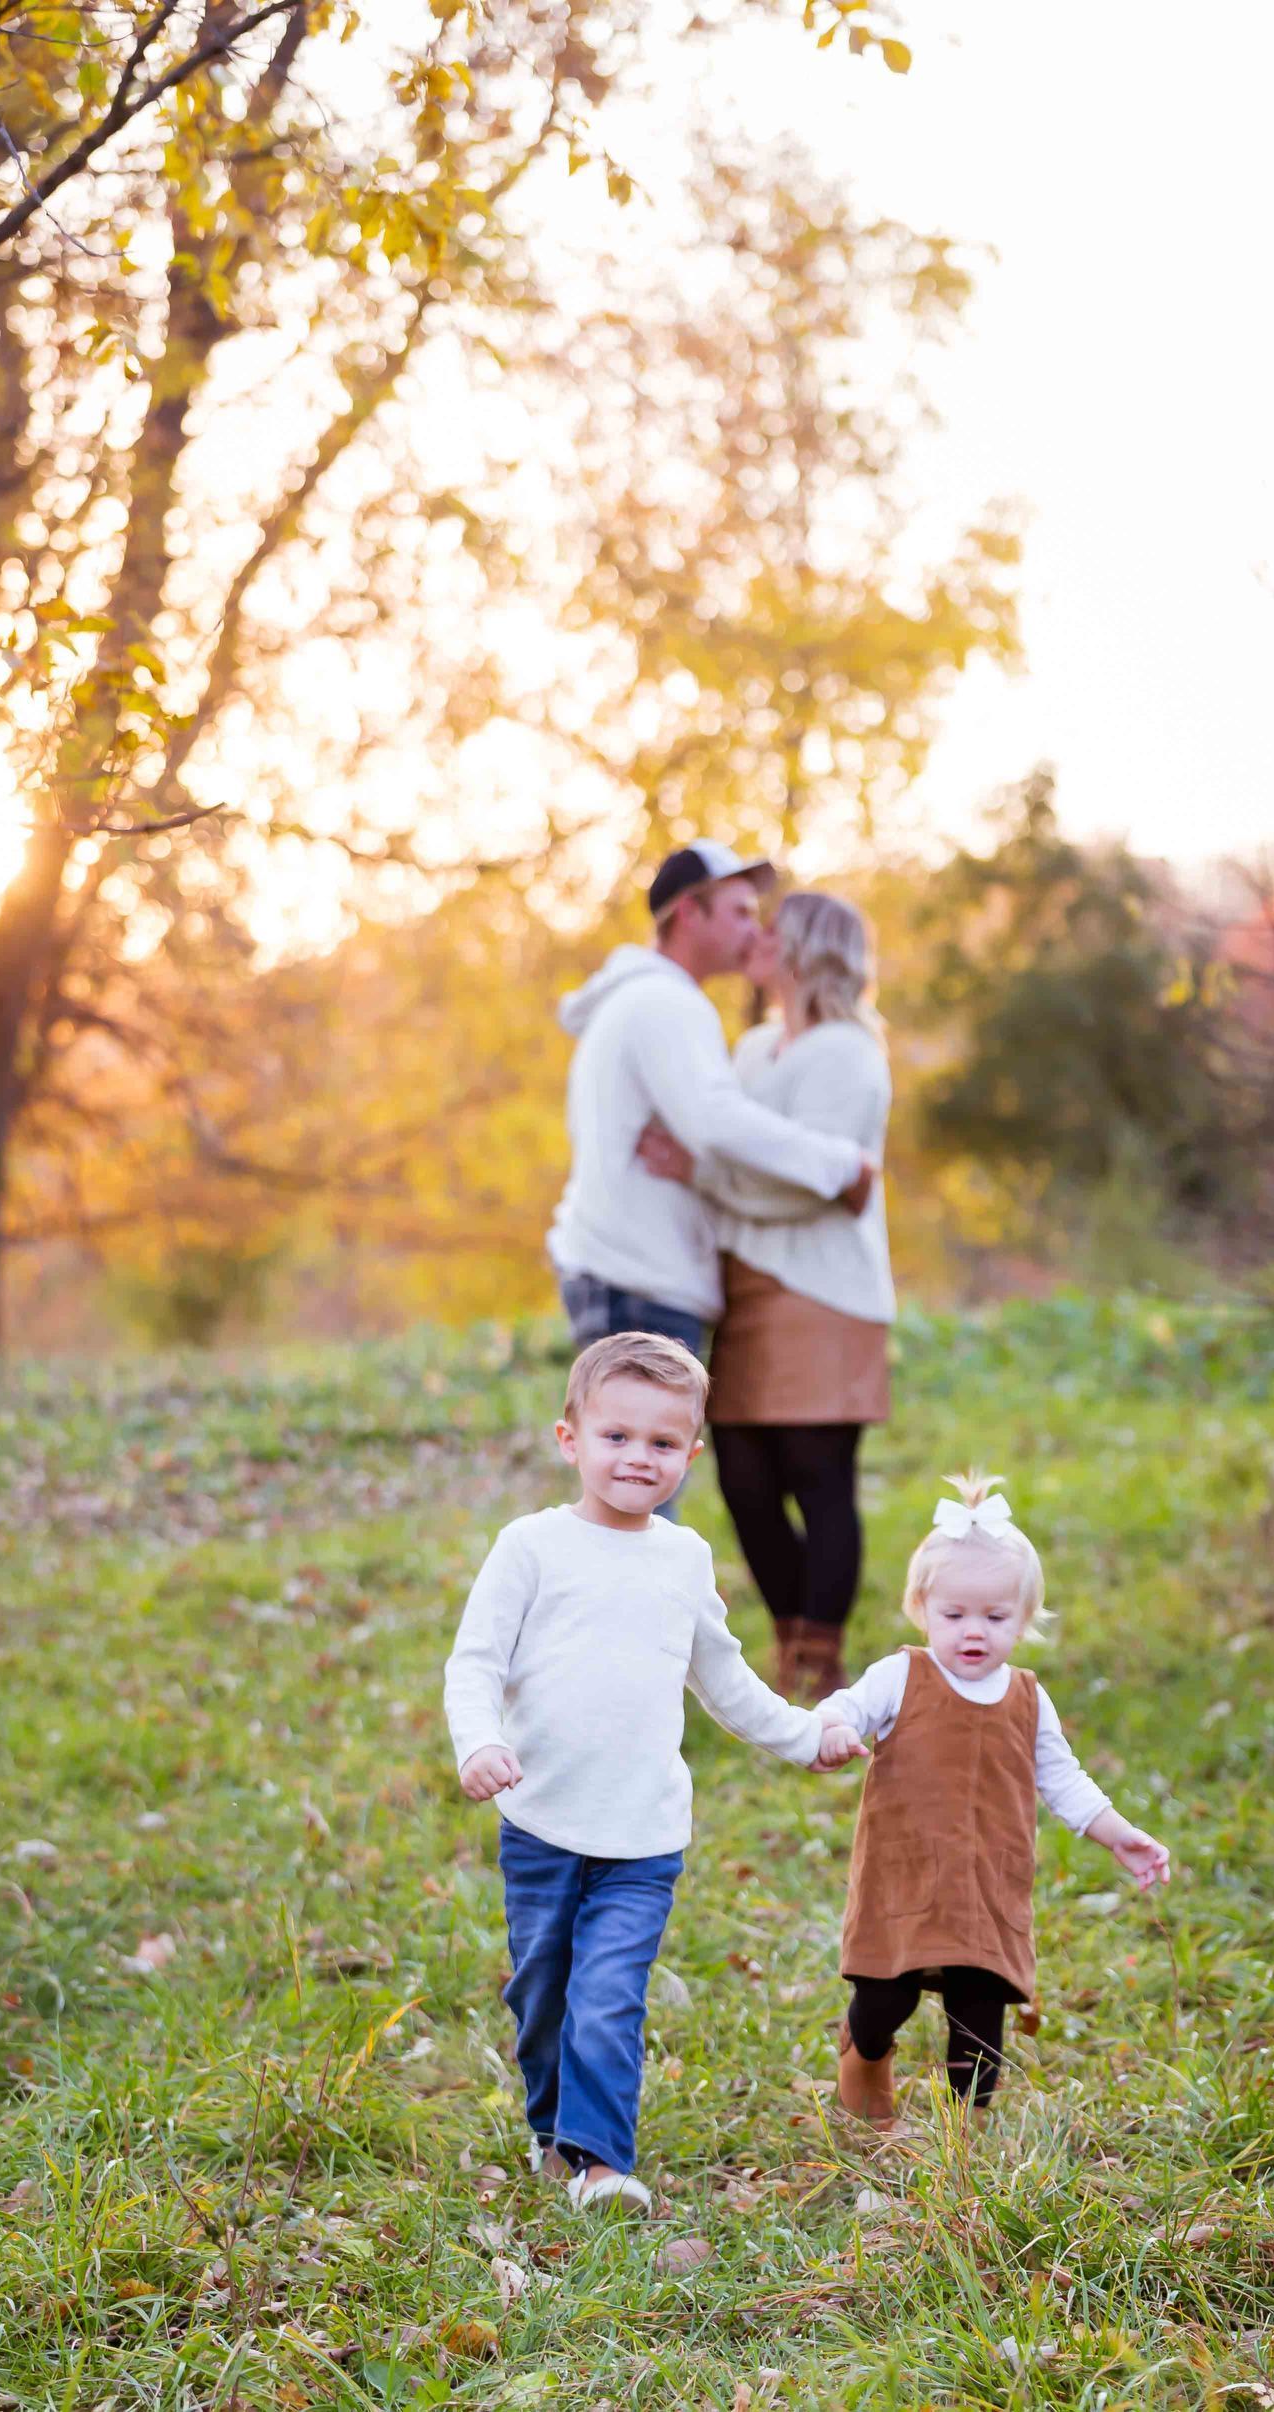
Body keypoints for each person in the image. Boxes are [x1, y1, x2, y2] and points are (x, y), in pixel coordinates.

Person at [443, 1331, 865, 2210]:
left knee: (607, 1998)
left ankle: (601, 2164)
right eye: (617, 1437)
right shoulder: (531, 1549)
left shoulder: (682, 1559)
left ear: (692, 1456)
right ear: (571, 1440)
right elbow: (475, 1663)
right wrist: (478, 1741)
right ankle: (553, 2128)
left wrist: (805, 1735)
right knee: (545, 1998)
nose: (639, 1457)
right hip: (544, 1823)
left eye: (663, 1443)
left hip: (642, 1835)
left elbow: (724, 1679)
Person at [816, 1471, 1170, 2132]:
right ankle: (863, 2053)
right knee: (884, 1994)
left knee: (981, 2009)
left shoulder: (1028, 1698)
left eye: (995, 1617)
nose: (973, 1631)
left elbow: (1064, 1780)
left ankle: (966, 2132)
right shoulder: (904, 1675)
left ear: (1024, 1620)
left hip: (988, 1881)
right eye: (954, 1615)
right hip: (906, 1870)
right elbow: (847, 1707)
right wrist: (834, 1729)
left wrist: (1119, 1832)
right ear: (923, 1610)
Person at [636, 890, 894, 1701]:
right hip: (745, 1288)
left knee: (819, 1478)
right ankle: (791, 1642)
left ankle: (816, 1665)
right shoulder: (751, 1050)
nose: (755, 939)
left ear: (809, 948)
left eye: (771, 930)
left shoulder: (850, 1054)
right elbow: (760, 1167)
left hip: (824, 1288)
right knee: (744, 1480)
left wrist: (707, 1177)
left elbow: (813, 1188)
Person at [546, 842, 877, 1377]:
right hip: (639, 1279)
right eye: (740, 912)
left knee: (627, 1457)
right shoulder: (667, 1002)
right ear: (688, 913)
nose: (756, 930)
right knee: (643, 1460)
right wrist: (841, 1164)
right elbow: (715, 1119)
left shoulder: (639, 1000)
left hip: (623, 1273)